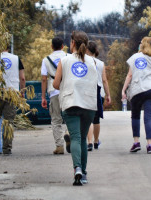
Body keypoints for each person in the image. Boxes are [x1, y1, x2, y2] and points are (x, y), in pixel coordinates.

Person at [53, 30, 98, 186]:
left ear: (72, 43)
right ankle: (83, 174)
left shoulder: (64, 61)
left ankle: (77, 168)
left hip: (71, 102)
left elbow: (56, 84)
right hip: (88, 105)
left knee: (75, 138)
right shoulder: (93, 62)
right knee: (83, 137)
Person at [122, 37, 151, 154]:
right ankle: (150, 145)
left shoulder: (134, 57)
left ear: (142, 45)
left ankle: (136, 142)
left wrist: (123, 90)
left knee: (135, 116)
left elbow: (129, 75)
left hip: (137, 90)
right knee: (149, 117)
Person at [0, 46, 26, 155]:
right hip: (12, 92)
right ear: (9, 47)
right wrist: (22, 92)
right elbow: (22, 78)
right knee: (9, 120)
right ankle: (7, 148)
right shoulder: (16, 58)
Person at [41, 37, 67, 154]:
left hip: (54, 91)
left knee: (56, 119)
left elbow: (43, 79)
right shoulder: (69, 57)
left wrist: (43, 97)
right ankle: (68, 133)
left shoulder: (46, 60)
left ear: (51, 46)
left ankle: (59, 146)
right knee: (70, 116)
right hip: (68, 90)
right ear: (62, 46)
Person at [86, 41, 111, 151]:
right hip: (99, 92)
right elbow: (104, 80)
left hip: (87, 92)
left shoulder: (84, 62)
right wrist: (108, 95)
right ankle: (96, 141)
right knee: (96, 119)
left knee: (88, 119)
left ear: (86, 50)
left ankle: (89, 142)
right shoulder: (101, 63)